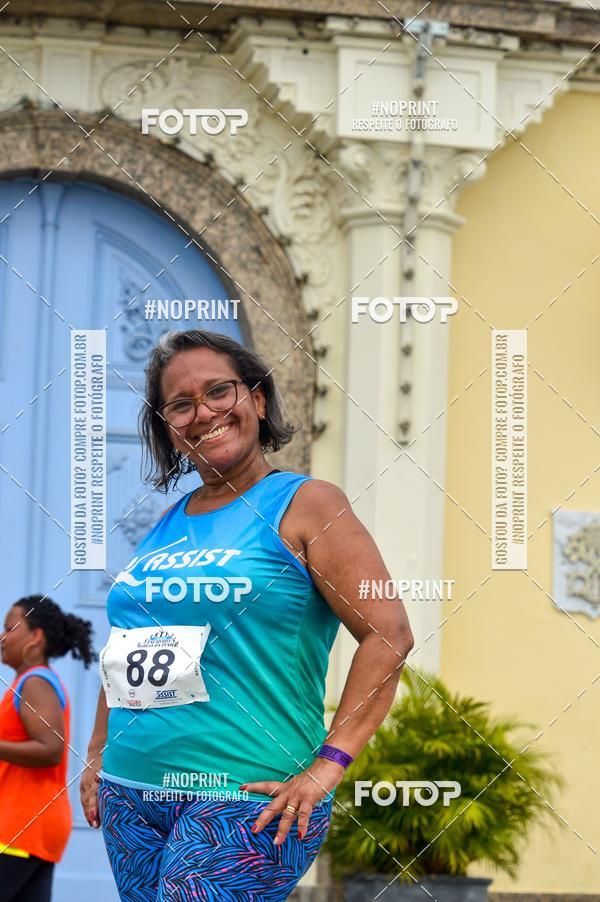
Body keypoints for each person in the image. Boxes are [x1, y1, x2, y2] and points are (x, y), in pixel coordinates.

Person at [80, 328, 414, 901]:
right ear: (167, 426)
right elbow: (134, 644)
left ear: (257, 400)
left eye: (218, 392)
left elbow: (389, 635)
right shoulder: (168, 521)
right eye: (179, 404)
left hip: (244, 798)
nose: (202, 412)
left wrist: (328, 767)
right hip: (132, 794)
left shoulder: (308, 504)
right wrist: (96, 752)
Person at [0, 594, 94, 902]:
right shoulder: (28, 682)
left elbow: (51, 748)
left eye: (10, 628)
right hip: (32, 825)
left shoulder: (35, 683)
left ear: (35, 636)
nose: (2, 637)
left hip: (18, 825)